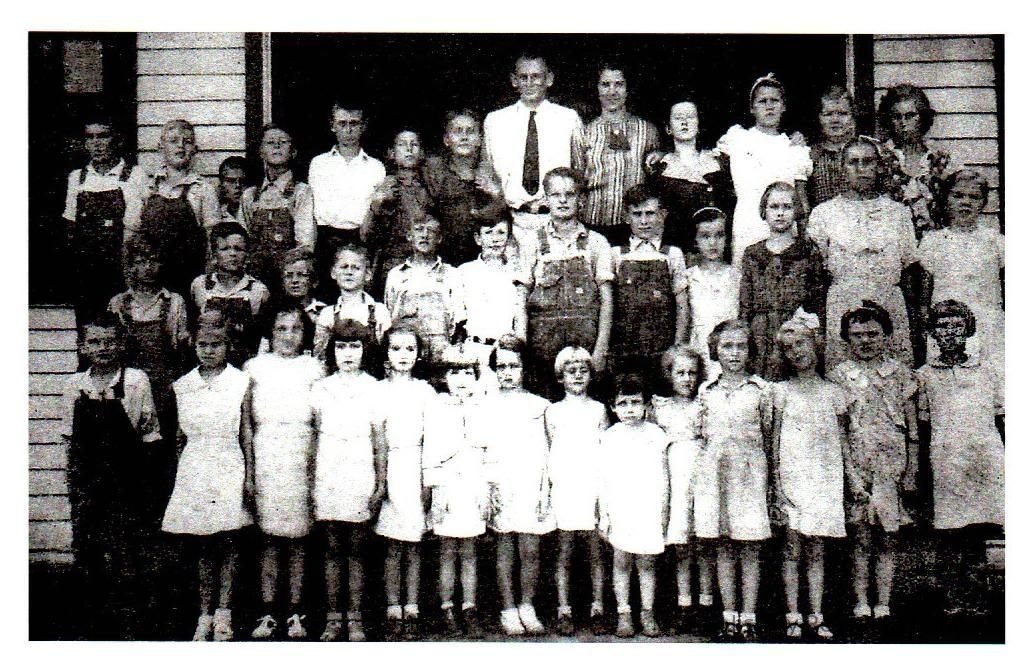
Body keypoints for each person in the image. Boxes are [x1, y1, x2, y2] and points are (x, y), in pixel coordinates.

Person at [61, 312, 162, 639]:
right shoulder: (74, 385)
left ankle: (133, 618)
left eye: (109, 341)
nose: (102, 348)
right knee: (88, 546)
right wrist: (74, 481)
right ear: (82, 347)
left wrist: (146, 481)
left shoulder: (135, 380)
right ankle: (92, 617)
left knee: (128, 546)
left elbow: (149, 433)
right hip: (89, 478)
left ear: (121, 344)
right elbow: (70, 439)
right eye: (94, 342)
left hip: (127, 475)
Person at [829, 301, 919, 630]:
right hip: (857, 463)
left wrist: (911, 469)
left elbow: (912, 427)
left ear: (886, 336)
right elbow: (839, 430)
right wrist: (850, 472)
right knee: (860, 537)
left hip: (891, 464)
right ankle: (860, 602)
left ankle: (883, 602)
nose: (865, 341)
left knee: (887, 537)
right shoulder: (839, 377)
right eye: (857, 335)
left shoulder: (900, 373)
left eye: (872, 334)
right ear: (846, 339)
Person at [161, 315, 252, 641]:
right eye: (203, 344)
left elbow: (245, 432)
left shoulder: (240, 382)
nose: (209, 350)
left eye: (216, 344)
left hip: (229, 463)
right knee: (203, 544)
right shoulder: (183, 385)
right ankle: (205, 614)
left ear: (228, 346)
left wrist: (249, 476)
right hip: (196, 467)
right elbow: (178, 437)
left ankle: (225, 613)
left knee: (228, 541)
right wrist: (182, 475)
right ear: (194, 346)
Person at [916, 300, 1004, 619]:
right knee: (950, 531)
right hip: (947, 461)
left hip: (984, 459)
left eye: (956, 325)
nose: (950, 332)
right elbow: (923, 423)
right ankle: (953, 597)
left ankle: (978, 597)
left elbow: (1002, 416)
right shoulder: (925, 376)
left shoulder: (987, 370)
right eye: (942, 326)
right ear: (932, 334)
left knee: (978, 530)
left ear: (968, 330)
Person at [242, 307, 324, 640]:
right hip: (267, 453)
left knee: (299, 538)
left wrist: (314, 465)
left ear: (305, 334)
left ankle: (295, 612)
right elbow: (246, 423)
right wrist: (250, 470)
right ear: (270, 333)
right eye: (281, 328)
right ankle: (267, 612)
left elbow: (319, 422)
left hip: (300, 453)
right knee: (269, 538)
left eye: (295, 328)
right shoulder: (255, 367)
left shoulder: (314, 368)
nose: (288, 336)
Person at [770, 309, 849, 642]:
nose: (796, 352)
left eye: (801, 344)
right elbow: (774, 442)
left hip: (824, 477)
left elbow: (842, 441)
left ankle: (817, 615)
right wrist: (776, 483)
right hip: (792, 477)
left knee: (817, 548)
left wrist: (851, 479)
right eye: (788, 348)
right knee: (792, 548)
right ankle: (793, 614)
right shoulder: (780, 392)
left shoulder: (833, 392)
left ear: (816, 344)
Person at [808, 137, 920, 369]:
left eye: (868, 162)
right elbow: (817, 275)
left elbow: (909, 270)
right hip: (843, 302)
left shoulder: (898, 213)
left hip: (887, 300)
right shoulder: (824, 213)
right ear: (842, 168)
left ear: (879, 167)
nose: (861, 169)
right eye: (853, 162)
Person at [696, 320, 772, 642]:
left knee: (750, 546)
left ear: (750, 351)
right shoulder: (706, 390)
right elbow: (703, 435)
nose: (734, 353)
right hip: (716, 476)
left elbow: (768, 435)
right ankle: (729, 615)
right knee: (724, 544)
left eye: (741, 346)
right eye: (727, 346)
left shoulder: (762, 390)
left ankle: (749, 616)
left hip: (750, 476)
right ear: (716, 351)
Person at [311, 319, 386, 642]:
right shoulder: (321, 388)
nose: (348, 353)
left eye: (355, 347)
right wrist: (311, 480)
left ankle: (354, 618)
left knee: (356, 548)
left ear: (365, 350)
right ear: (332, 351)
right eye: (341, 347)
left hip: (359, 468)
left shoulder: (374, 388)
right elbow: (314, 437)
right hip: (329, 470)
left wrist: (380, 483)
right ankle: (332, 618)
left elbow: (379, 440)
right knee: (331, 548)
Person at [519, 167, 614, 398]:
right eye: (555, 195)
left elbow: (607, 300)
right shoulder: (532, 241)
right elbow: (520, 297)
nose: (563, 200)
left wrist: (600, 350)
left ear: (580, 199)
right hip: (542, 349)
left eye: (570, 194)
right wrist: (522, 346)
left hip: (585, 348)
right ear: (546, 199)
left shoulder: (596, 243)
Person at [483, 335, 553, 636]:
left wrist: (544, 490)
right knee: (505, 548)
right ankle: (508, 608)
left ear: (524, 368)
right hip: (501, 483)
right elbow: (483, 449)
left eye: (513, 366)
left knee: (530, 549)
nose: (507, 373)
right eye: (501, 367)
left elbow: (547, 452)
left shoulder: (540, 406)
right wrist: (489, 486)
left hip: (530, 482)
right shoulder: (486, 405)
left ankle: (527, 605)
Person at [374, 326, 438, 640]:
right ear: (386, 353)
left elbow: (433, 439)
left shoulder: (425, 392)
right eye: (396, 349)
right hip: (390, 467)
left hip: (416, 467)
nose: (403, 355)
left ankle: (411, 608)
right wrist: (380, 480)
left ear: (419, 354)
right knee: (391, 545)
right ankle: (392, 608)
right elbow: (376, 439)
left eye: (410, 349)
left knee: (413, 543)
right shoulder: (377, 391)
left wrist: (428, 481)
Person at [423, 345, 489, 638]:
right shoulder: (436, 408)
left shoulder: (482, 407)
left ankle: (469, 607)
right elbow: (430, 453)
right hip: (447, 488)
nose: (461, 380)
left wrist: (485, 491)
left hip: (473, 487)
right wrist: (437, 494)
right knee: (448, 551)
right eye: (454, 373)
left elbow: (488, 452)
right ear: (444, 377)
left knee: (470, 552)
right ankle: (447, 607)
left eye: (468, 373)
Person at [482, 54, 582, 246]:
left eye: (536, 76)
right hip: (512, 222)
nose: (529, 83)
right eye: (523, 77)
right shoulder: (495, 121)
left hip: (557, 220)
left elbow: (579, 169)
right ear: (514, 80)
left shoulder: (568, 119)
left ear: (549, 79)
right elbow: (487, 170)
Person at [598, 373, 670, 638]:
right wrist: (604, 515)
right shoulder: (610, 436)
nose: (629, 409)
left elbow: (664, 476)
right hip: (621, 507)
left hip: (648, 506)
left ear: (646, 405)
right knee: (621, 562)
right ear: (613, 407)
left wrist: (664, 510)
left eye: (635, 402)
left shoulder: (656, 434)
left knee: (647, 563)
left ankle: (647, 612)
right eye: (623, 403)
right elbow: (603, 478)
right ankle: (624, 613)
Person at [545, 346, 609, 636]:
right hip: (565, 487)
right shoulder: (553, 411)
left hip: (592, 485)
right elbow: (551, 449)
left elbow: (605, 449)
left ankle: (598, 608)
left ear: (591, 375)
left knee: (596, 552)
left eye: (583, 370)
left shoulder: (599, 409)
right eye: (571, 371)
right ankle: (564, 609)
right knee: (565, 551)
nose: (578, 375)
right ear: (560, 377)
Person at [716, 73, 813, 265]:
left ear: (783, 106)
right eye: (762, 101)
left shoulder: (794, 148)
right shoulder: (737, 139)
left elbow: (801, 200)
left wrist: (804, 237)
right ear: (752, 108)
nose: (769, 106)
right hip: (748, 225)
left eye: (774, 101)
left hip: (784, 229)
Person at [918, 169, 1004, 378]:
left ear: (983, 203)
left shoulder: (996, 241)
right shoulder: (933, 241)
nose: (965, 202)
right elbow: (924, 295)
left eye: (974, 197)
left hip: (987, 321)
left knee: (991, 376)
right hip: (945, 325)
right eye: (958, 196)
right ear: (946, 199)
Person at [651, 344, 712, 634]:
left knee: (704, 544)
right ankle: (684, 605)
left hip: (702, 478)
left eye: (692, 373)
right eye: (681, 373)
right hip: (673, 480)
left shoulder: (704, 405)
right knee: (681, 546)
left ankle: (706, 605)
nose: (687, 379)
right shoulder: (660, 407)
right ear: (669, 375)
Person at [739, 182, 826, 380]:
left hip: (796, 331)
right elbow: (745, 304)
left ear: (796, 211)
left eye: (787, 207)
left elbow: (818, 300)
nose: (780, 213)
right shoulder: (753, 254)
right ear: (764, 211)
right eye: (774, 207)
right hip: (760, 333)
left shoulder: (808, 251)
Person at [573, 64, 660, 243]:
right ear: (597, 88)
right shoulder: (585, 132)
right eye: (605, 84)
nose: (612, 91)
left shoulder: (647, 131)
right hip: (594, 223)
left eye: (619, 84)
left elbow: (656, 179)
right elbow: (578, 180)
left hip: (636, 226)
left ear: (627, 89)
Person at [609, 183, 689, 377]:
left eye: (650, 213)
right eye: (637, 214)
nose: (644, 221)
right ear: (626, 217)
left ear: (663, 214)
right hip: (624, 349)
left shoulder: (672, 254)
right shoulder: (616, 254)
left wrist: (677, 347)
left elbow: (682, 306)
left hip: (662, 348)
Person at [134, 119, 218, 298]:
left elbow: (213, 244)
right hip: (150, 280)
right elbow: (131, 238)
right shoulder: (147, 187)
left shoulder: (203, 189)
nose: (180, 146)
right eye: (173, 141)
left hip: (189, 278)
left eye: (187, 142)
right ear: (160, 147)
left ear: (195, 149)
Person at [63, 118, 135, 324]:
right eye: (90, 137)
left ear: (116, 139)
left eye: (103, 136)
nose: (97, 143)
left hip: (119, 268)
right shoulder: (77, 178)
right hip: (86, 270)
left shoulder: (133, 175)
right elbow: (71, 225)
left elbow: (134, 229)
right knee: (87, 327)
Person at [307, 101, 386, 290]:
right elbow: (312, 211)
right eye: (342, 123)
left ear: (363, 126)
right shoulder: (319, 164)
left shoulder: (376, 167)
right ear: (332, 126)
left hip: (361, 240)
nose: (348, 129)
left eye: (354, 123)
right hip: (326, 241)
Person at [456, 202, 528, 390]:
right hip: (473, 350)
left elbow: (520, 320)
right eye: (489, 233)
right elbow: (458, 319)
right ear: (478, 238)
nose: (495, 239)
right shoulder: (464, 272)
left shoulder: (517, 273)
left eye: (501, 233)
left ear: (509, 238)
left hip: (505, 354)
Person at [647, 100, 734, 255]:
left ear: (699, 125)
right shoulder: (659, 168)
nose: (684, 122)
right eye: (678, 118)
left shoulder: (720, 160)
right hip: (678, 249)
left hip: (716, 248)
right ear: (668, 128)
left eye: (690, 117)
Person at [241, 124, 316, 295]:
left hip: (288, 279)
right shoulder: (250, 195)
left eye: (283, 142)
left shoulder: (301, 192)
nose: (276, 146)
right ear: (261, 152)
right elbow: (242, 240)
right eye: (270, 142)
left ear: (293, 151)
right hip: (255, 279)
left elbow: (305, 244)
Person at [383, 214, 465, 368]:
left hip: (441, 352)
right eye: (419, 229)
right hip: (405, 353)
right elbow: (390, 314)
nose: (425, 235)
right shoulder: (396, 275)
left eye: (431, 231)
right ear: (409, 236)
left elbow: (459, 320)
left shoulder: (451, 274)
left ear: (439, 238)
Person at [424, 109, 502, 266]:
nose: (464, 137)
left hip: (482, 261)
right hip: (443, 259)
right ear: (447, 139)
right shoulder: (434, 172)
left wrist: (496, 195)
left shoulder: (491, 175)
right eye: (457, 131)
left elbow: (500, 218)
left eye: (470, 131)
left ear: (479, 139)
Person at [189, 222, 271, 368]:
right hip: (207, 361)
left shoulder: (258, 290)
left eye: (238, 249)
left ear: (247, 254)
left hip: (243, 363)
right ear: (214, 253)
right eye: (225, 249)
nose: (232, 254)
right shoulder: (200, 285)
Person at [877, 84, 952, 237]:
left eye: (910, 116)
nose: (903, 123)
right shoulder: (880, 156)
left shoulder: (939, 158)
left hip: (935, 240)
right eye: (897, 117)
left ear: (922, 117)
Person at [369, 128, 434, 296]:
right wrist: (377, 204)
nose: (409, 149)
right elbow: (367, 234)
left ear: (422, 153)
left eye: (414, 144)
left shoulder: (431, 186)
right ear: (391, 153)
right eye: (402, 144)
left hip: (427, 260)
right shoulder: (387, 187)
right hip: (395, 262)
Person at [685, 208, 741, 381]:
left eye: (719, 235)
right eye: (705, 236)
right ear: (695, 240)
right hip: (699, 351)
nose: (713, 243)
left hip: (731, 351)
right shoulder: (689, 277)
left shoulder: (737, 276)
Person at [313, 244, 391, 362]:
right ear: (333, 273)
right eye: (344, 267)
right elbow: (320, 356)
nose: (349, 272)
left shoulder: (379, 311)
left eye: (356, 268)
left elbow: (387, 352)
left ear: (368, 274)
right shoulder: (327, 314)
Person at [260, 247, 327, 356]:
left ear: (314, 280)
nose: (294, 280)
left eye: (301, 275)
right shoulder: (272, 313)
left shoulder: (325, 312)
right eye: (289, 275)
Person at [808, 85, 858, 207]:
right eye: (828, 114)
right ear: (819, 117)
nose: (835, 120)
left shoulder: (866, 152)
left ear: (852, 117)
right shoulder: (810, 156)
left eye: (842, 114)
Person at [216, 156, 248, 226]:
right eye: (231, 181)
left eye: (242, 181)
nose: (238, 185)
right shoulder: (217, 215)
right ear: (222, 184)